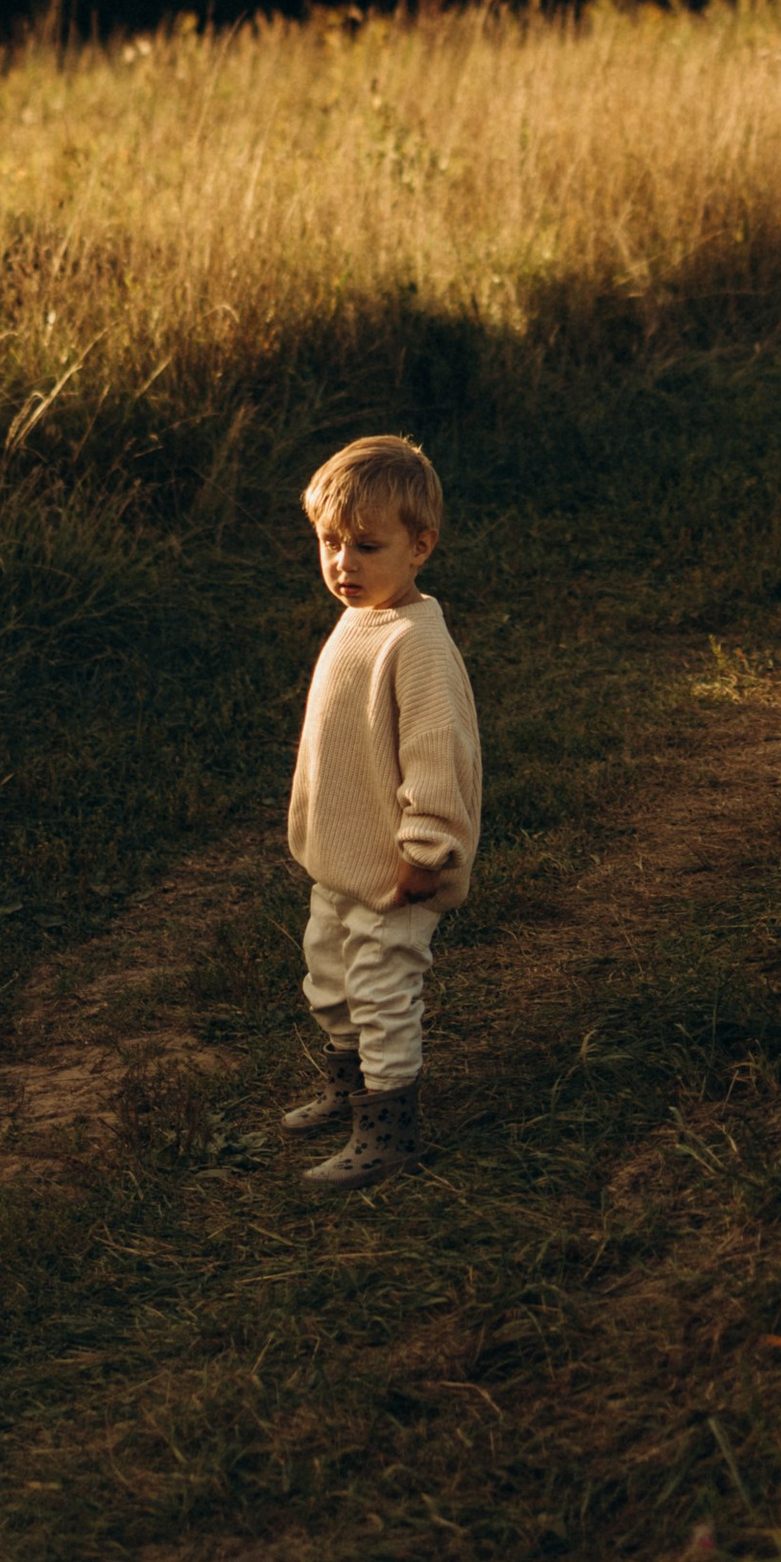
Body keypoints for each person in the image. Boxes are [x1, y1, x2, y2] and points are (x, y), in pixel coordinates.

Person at [280, 433, 482, 1192]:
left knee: (380, 989)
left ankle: (389, 1129)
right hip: (342, 860)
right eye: (330, 543)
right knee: (328, 978)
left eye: (366, 546)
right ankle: (348, 1086)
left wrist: (424, 852)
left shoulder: (417, 642)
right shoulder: (359, 617)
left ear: (420, 546)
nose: (343, 565)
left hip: (399, 871)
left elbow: (437, 754)